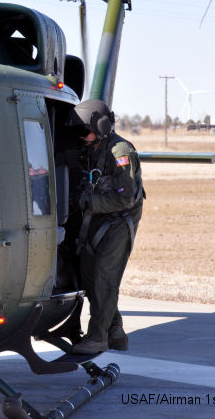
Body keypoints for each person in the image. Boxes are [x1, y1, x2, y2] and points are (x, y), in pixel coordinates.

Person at [64, 99, 145, 355]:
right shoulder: (93, 148)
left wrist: (87, 201)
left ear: (101, 126)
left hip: (120, 221)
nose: (82, 137)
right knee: (89, 275)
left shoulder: (120, 151)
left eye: (85, 131)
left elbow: (125, 198)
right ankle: (115, 331)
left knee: (104, 278)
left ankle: (98, 337)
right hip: (99, 218)